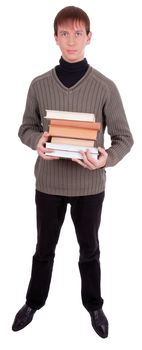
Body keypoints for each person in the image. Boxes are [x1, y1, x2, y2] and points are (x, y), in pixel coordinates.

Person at [12, 6, 133, 338]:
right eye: (64, 33)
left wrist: (106, 157)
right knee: (44, 249)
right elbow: (25, 128)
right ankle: (33, 303)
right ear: (55, 38)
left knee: (89, 249)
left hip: (89, 185)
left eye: (78, 33)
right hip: (49, 183)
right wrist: (37, 141)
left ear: (89, 38)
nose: (71, 40)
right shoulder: (38, 85)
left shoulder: (105, 87)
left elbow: (125, 138)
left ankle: (94, 305)